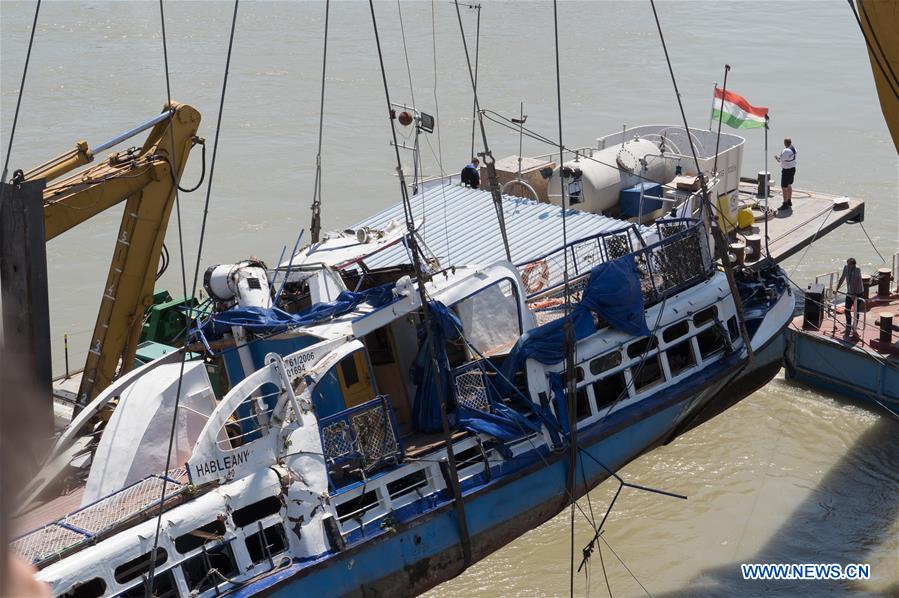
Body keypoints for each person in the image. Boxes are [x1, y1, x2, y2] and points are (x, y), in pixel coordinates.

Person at [835, 257, 864, 335]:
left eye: (849, 265)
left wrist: (854, 294)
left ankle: (854, 328)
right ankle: (848, 327)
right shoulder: (846, 267)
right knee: (847, 309)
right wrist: (837, 288)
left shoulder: (857, 269)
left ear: (853, 265)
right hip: (849, 292)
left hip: (858, 293)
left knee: (856, 310)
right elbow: (842, 278)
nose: (848, 266)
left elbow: (856, 282)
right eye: (847, 264)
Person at [773, 137, 797, 210]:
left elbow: (780, 160)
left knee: (784, 187)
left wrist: (776, 157)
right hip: (792, 169)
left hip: (786, 171)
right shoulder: (794, 148)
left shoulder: (786, 151)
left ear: (785, 143)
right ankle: (789, 200)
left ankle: (785, 203)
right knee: (789, 185)